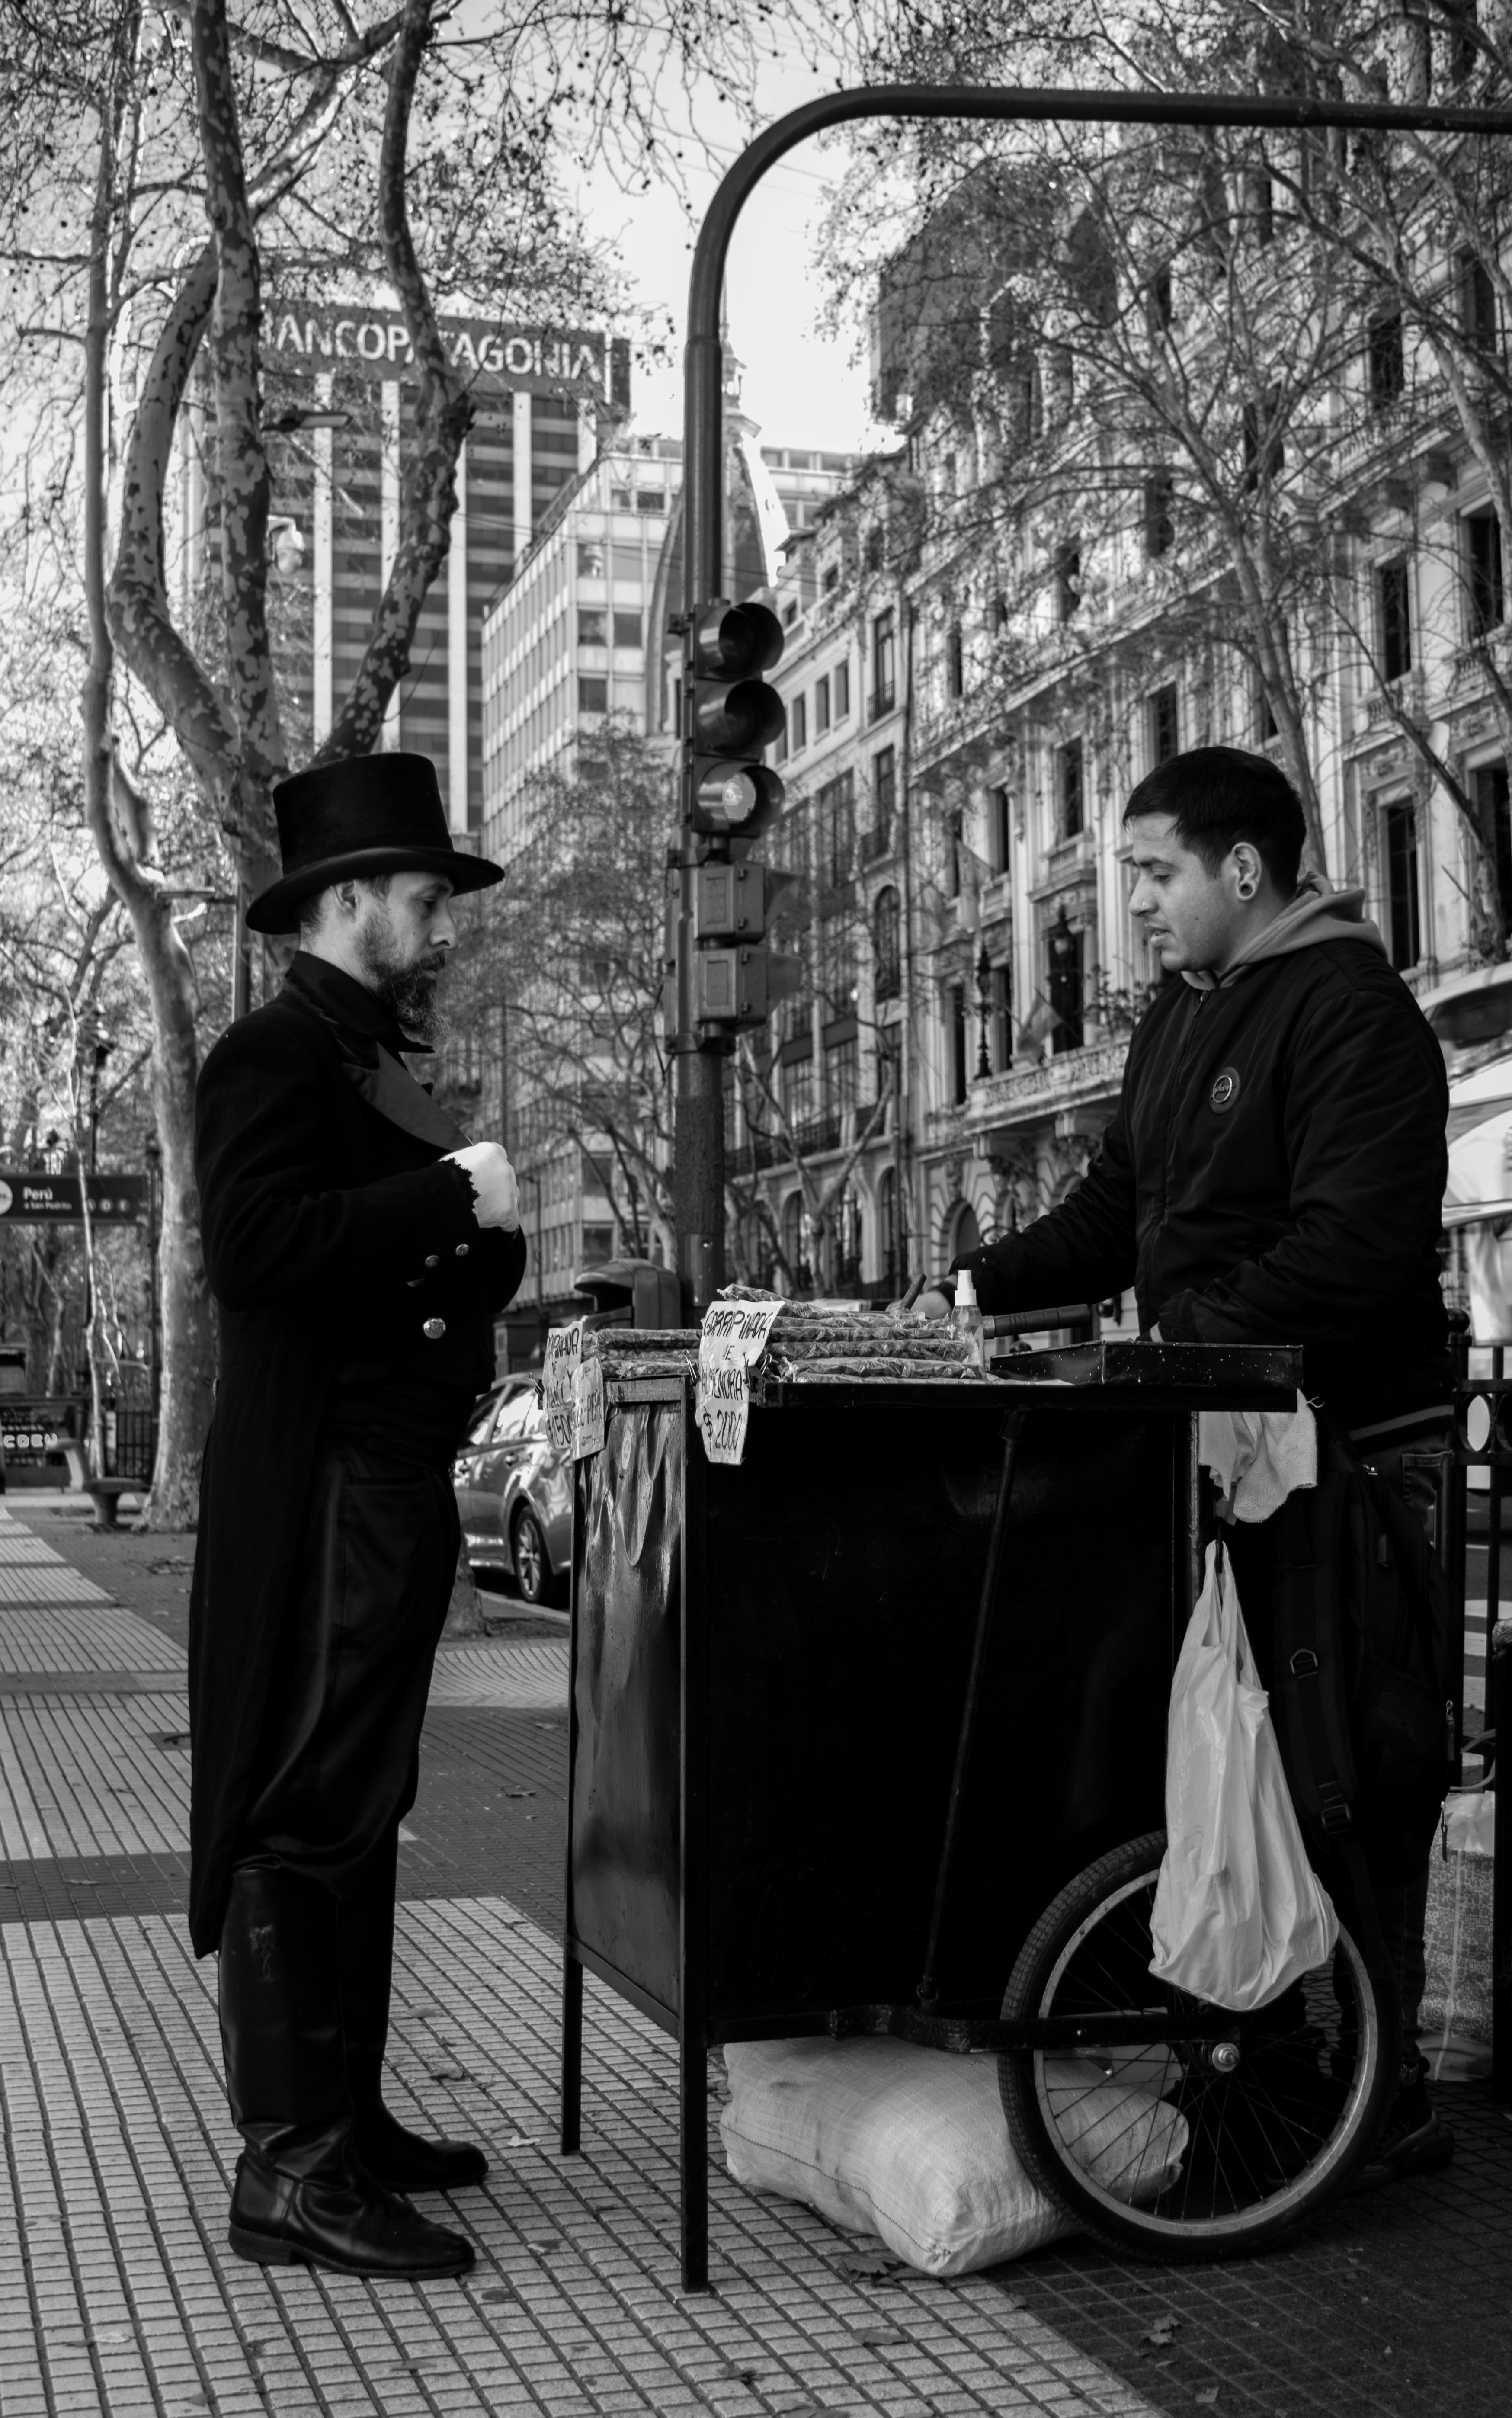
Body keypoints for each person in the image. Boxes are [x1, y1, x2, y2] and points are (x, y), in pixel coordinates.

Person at [919, 745, 1453, 2184]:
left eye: (1153, 873)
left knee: (1354, 1767)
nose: (1135, 903)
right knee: (1237, 1764)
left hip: (1355, 1461)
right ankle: (1279, 2074)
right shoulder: (1177, 1014)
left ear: (1242, 870)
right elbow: (1110, 1217)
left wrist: (1180, 1351)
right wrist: (964, 1295)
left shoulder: (1356, 1014)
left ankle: (1375, 2084)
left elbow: (1353, 1245)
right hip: (1218, 1445)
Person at [188, 752, 527, 2280]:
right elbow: (260, 1252)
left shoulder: (371, 1053)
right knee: (308, 1807)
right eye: (417, 893)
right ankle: (292, 2170)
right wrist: (455, 1200)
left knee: (361, 1803)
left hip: (385, 1476)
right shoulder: (272, 1054)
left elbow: (413, 1262)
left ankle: (349, 2115)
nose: (438, 918)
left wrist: (477, 1235)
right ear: (341, 904)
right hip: (326, 1481)